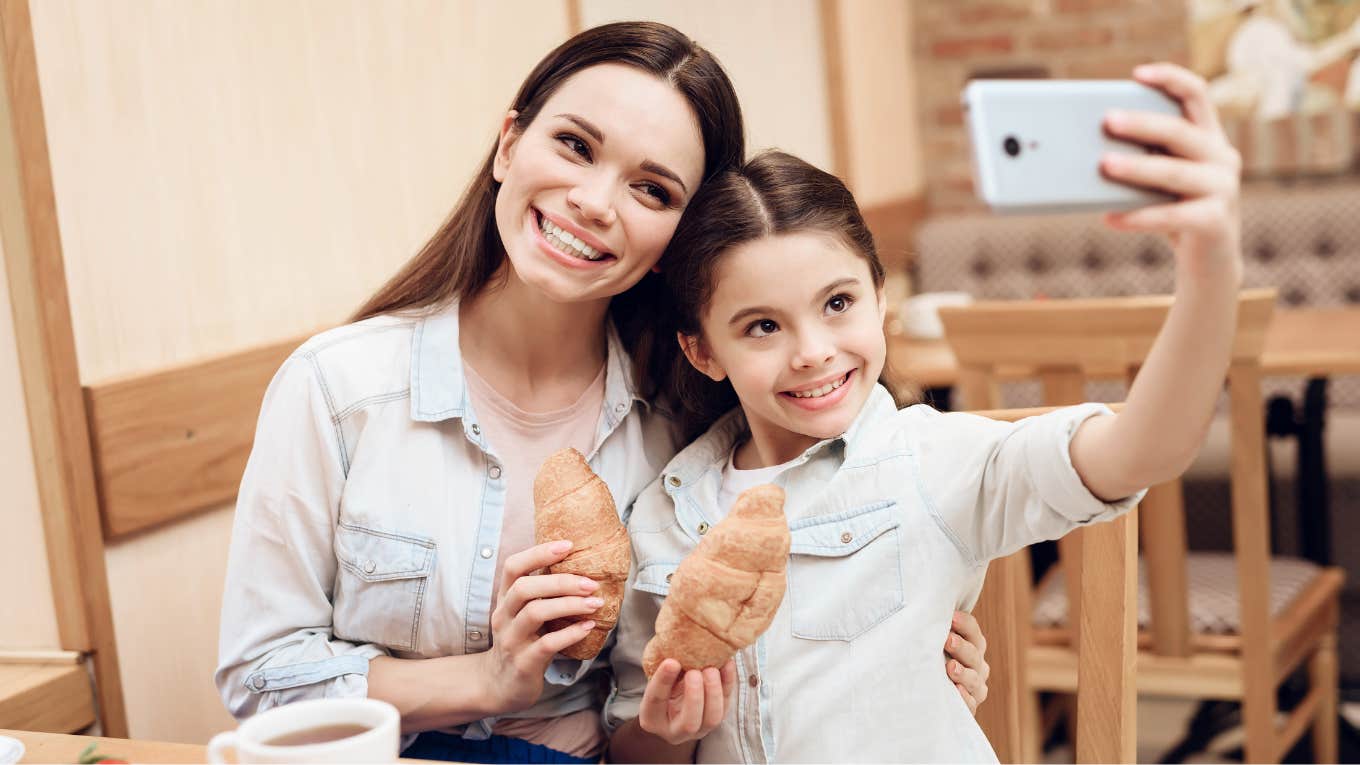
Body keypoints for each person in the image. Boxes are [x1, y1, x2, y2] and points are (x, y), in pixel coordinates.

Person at [214, 21, 990, 764]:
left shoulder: (694, 426)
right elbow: (261, 680)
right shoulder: (337, 387)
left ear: (677, 246)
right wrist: (487, 678)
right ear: (510, 144)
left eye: (651, 190)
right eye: (574, 146)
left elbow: (781, 615)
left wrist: (911, 653)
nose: (593, 200)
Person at [605, 62, 1243, 763]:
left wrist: (1210, 264)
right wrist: (670, 729)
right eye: (763, 326)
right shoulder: (663, 518)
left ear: (881, 298)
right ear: (702, 351)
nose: (813, 352)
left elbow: (1136, 453)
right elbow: (638, 749)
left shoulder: (932, 463)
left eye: (838, 303)